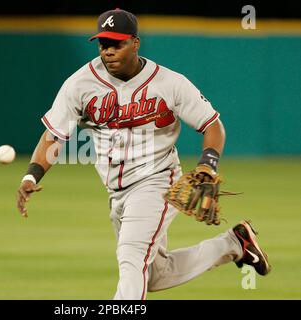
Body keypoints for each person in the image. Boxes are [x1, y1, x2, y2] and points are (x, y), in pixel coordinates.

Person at [16, 8, 271, 300]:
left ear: (135, 43)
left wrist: (208, 166)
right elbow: (54, 136)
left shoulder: (169, 83)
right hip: (116, 191)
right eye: (103, 44)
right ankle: (234, 244)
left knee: (131, 257)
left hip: (157, 181)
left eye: (116, 43)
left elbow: (213, 125)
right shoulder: (80, 84)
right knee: (154, 274)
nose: (108, 51)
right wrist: (30, 175)